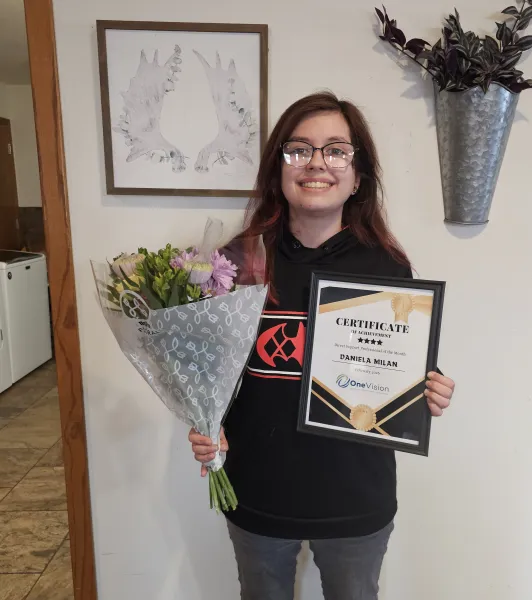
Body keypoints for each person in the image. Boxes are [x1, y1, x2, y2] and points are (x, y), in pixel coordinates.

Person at [188, 92, 455, 600]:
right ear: (277, 169)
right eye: (299, 149)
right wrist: (204, 422)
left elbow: (396, 367)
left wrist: (429, 390)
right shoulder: (237, 263)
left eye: (336, 150)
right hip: (257, 491)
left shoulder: (386, 269)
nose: (316, 163)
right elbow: (206, 372)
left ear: (358, 175)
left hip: (356, 497)